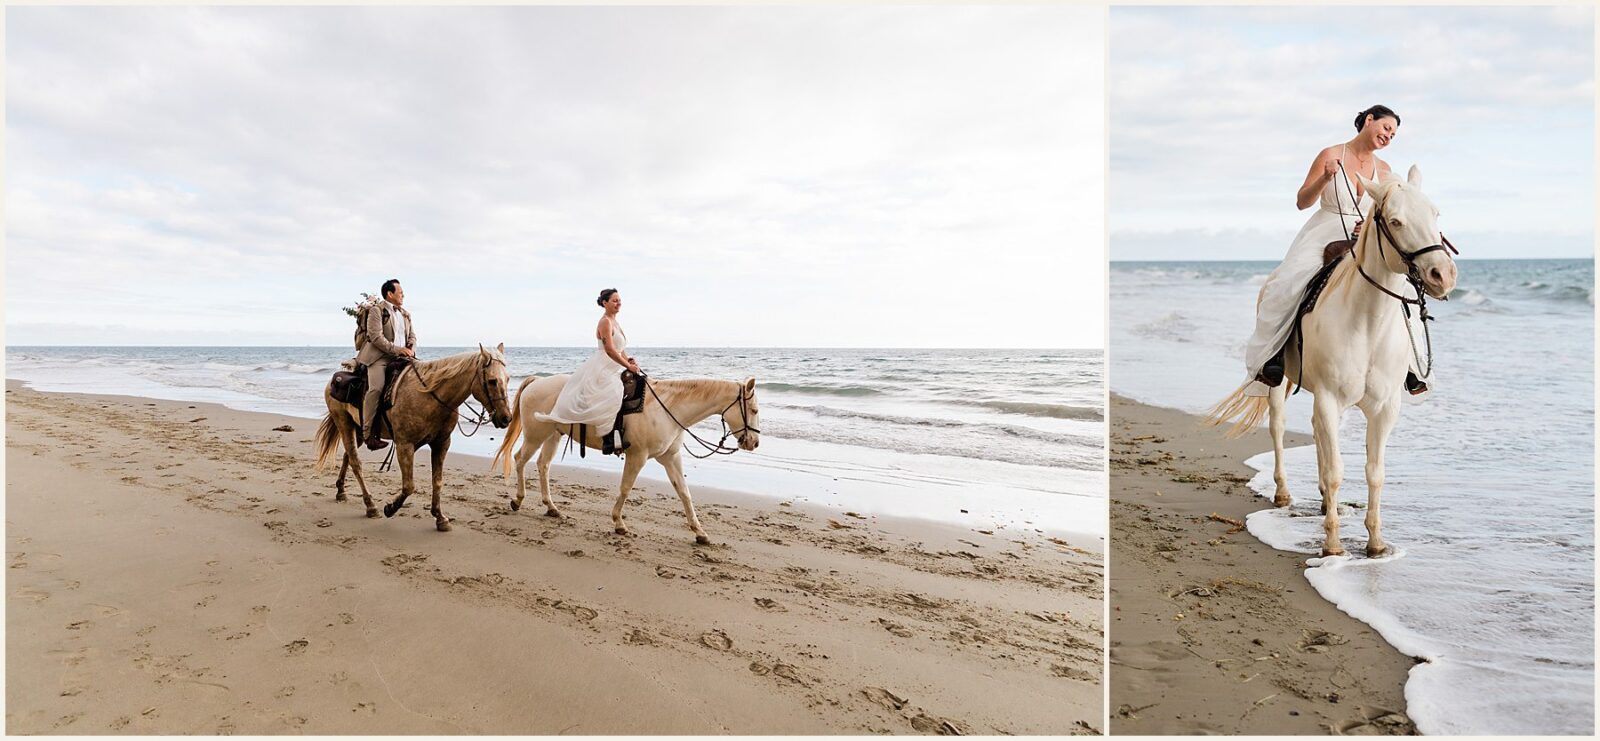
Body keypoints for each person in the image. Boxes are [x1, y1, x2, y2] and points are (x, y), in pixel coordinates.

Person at [1243, 104, 1412, 396]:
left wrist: (1370, 226)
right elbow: (1302, 201)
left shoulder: (1384, 171)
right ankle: (1273, 358)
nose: (1388, 136)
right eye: (1386, 128)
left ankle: (1411, 366)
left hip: (1365, 238)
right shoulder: (1330, 155)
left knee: (1404, 290)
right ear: (1368, 120)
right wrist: (1325, 177)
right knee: (1288, 282)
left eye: (1393, 135)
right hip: (1325, 230)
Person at [534, 288, 642, 454]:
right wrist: (628, 366)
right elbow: (610, 350)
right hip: (604, 366)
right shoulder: (605, 321)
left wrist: (629, 360)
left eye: (619, 300)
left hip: (615, 364)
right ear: (605, 303)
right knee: (614, 392)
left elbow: (620, 349)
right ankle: (608, 439)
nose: (618, 303)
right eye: (614, 300)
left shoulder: (616, 322)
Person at [355, 278, 416, 450]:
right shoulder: (377, 310)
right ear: (390, 294)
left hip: (403, 357)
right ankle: (367, 434)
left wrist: (411, 348)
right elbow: (376, 337)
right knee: (376, 388)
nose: (403, 295)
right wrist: (398, 350)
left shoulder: (405, 314)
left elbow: (412, 336)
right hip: (379, 358)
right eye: (400, 292)